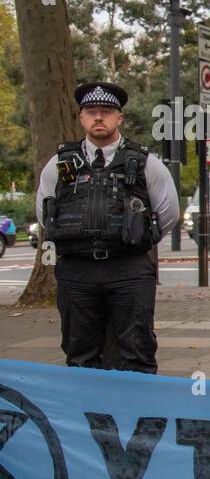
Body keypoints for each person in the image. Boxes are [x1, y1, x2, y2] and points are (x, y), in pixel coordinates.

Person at [35, 81, 179, 373]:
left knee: (136, 350)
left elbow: (168, 214)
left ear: (119, 118)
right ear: (81, 118)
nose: (98, 117)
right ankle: (86, 416)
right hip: (77, 271)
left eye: (106, 111)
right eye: (91, 111)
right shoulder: (60, 163)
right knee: (79, 353)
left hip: (129, 270)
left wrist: (133, 240)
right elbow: (44, 211)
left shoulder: (145, 163)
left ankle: (139, 415)